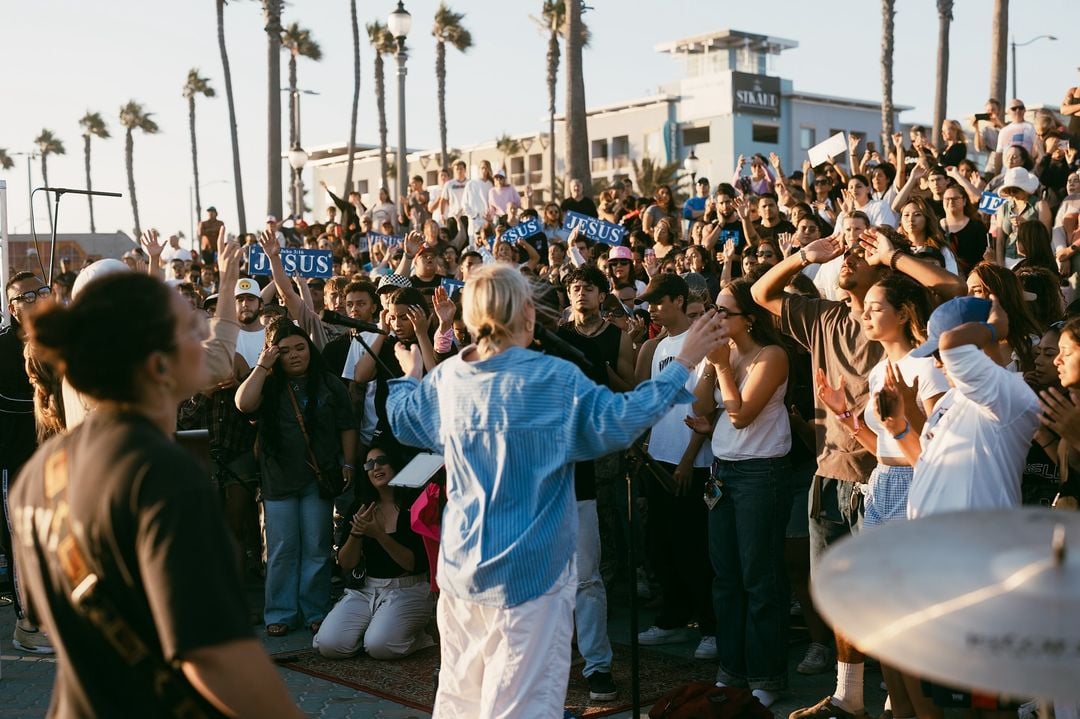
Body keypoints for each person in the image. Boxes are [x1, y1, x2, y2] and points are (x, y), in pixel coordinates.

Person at [385, 263, 728, 717]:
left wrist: (410, 373)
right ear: (527, 313)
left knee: (460, 698)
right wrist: (683, 363)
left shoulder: (449, 379)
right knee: (521, 705)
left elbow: (402, 417)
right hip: (530, 575)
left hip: (461, 570)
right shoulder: (550, 379)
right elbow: (623, 420)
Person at [10, 272, 304, 717]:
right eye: (191, 329)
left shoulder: (38, 475)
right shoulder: (160, 476)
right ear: (157, 363)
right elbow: (214, 658)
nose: (204, 336)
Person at [691, 278, 792, 707]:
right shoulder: (721, 355)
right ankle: (731, 670)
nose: (715, 317)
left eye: (724, 312)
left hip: (760, 473)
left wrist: (723, 369)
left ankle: (766, 675)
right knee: (726, 579)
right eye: (713, 310)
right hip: (722, 472)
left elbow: (741, 416)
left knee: (760, 580)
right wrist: (711, 364)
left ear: (749, 319)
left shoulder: (772, 356)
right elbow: (699, 407)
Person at [235, 319, 358, 636]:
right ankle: (280, 611)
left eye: (300, 348)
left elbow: (347, 426)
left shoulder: (329, 383)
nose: (294, 355)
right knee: (281, 549)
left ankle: (315, 610)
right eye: (285, 351)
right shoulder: (269, 384)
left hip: (319, 480)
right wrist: (263, 366)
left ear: (310, 348)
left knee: (317, 547)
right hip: (278, 481)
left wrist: (348, 465)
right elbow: (243, 403)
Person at [633, 273, 716, 659]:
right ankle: (673, 618)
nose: (653, 308)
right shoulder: (657, 346)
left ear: (679, 301)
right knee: (661, 546)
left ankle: (710, 627)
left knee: (694, 548)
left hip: (692, 463)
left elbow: (705, 408)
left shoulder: (700, 343)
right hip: (660, 461)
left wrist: (687, 460)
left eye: (660, 300)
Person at [906, 295, 1040, 517]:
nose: (937, 362)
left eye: (938, 353)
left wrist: (995, 328)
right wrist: (898, 429)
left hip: (979, 544)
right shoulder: (949, 399)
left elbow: (951, 343)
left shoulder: (1007, 395)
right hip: (933, 543)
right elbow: (928, 468)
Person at [313, 444, 434, 659]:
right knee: (329, 644)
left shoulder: (412, 505)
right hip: (367, 588)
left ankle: (420, 637)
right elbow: (346, 563)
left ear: (396, 464)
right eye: (369, 464)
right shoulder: (361, 506)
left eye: (381, 461)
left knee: (380, 647)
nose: (375, 467)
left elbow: (412, 564)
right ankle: (372, 628)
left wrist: (378, 535)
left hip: (408, 588)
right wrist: (357, 534)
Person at [2, 272, 54, 654]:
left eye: (43, 291)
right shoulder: (2, 347)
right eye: (27, 296)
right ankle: (27, 625)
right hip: (13, 460)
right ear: (12, 308)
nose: (37, 299)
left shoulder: (61, 343)